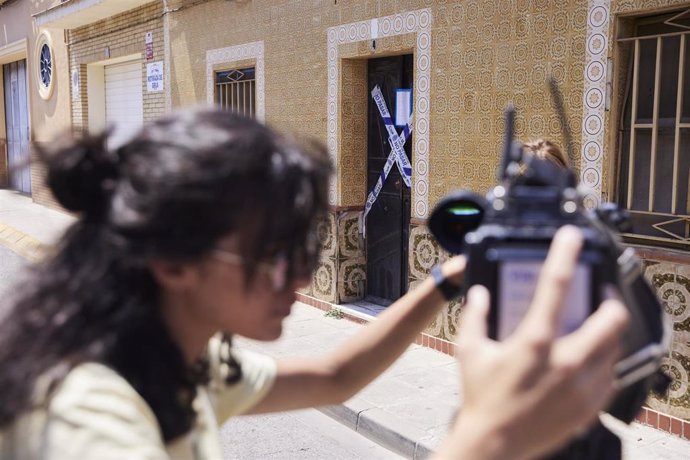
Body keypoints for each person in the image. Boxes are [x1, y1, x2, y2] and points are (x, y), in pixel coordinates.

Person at [0, 108, 628, 459]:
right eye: (276, 253)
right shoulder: (87, 416)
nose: (303, 274)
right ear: (173, 262)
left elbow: (334, 378)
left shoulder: (173, 362)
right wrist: (490, 436)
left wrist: (446, 277)